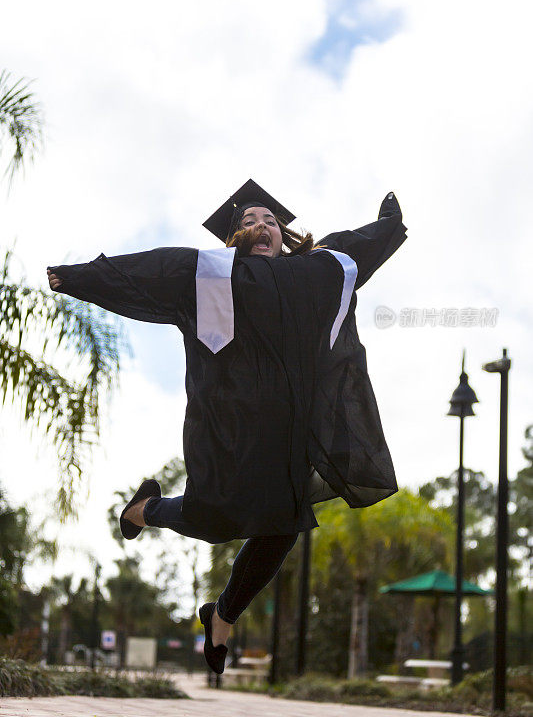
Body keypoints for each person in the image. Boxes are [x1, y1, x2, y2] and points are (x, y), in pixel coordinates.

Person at [47, 179, 408, 674]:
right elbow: (153, 267)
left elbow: (350, 254)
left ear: (285, 235)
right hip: (228, 427)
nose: (261, 226)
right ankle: (144, 510)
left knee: (284, 526)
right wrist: (83, 278)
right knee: (211, 520)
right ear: (234, 236)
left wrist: (387, 225)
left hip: (287, 436)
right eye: (248, 221)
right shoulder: (212, 275)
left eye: (271, 222)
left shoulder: (310, 274)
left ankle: (221, 616)